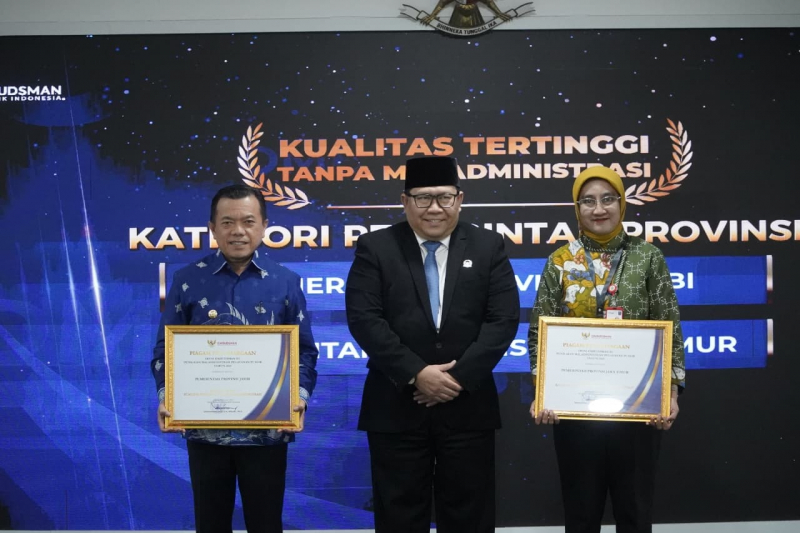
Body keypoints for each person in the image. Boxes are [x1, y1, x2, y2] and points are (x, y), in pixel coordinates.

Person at [345, 155, 520, 533]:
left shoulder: (488, 246)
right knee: (399, 516)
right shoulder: (376, 247)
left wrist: (456, 378)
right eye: (423, 198)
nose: (435, 208)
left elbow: (503, 320)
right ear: (405, 201)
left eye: (444, 197)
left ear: (460, 199)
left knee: (469, 516)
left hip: (467, 405)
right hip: (396, 405)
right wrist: (416, 373)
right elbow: (364, 319)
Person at [150, 184, 318, 533]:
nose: (238, 231)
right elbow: (165, 349)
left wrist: (299, 398)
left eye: (248, 221)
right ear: (212, 228)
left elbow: (304, 349)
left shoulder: (286, 282)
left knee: (266, 524)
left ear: (264, 226)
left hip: (268, 429)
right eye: (227, 222)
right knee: (210, 524)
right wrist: (167, 395)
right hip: (206, 431)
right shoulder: (187, 280)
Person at [527, 165, 686, 533]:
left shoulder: (647, 256)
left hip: (639, 408)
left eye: (607, 199)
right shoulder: (560, 261)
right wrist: (542, 391)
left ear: (622, 203)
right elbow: (539, 330)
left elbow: (670, 324)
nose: (598, 209)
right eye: (588, 201)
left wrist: (670, 393)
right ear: (577, 208)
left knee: (634, 513)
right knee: (581, 515)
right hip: (576, 411)